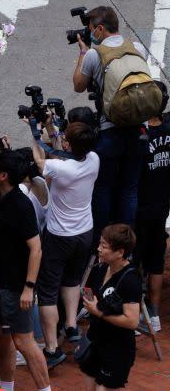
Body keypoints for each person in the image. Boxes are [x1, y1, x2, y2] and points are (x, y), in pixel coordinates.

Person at [0, 151, 53, 391]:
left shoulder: (20, 205)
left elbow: (36, 248)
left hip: (15, 287)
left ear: (3, 175)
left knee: (24, 341)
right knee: (3, 339)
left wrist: (28, 288)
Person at [29, 121, 99, 368]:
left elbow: (40, 161)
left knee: (47, 292)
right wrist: (52, 128)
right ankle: (71, 325)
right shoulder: (94, 160)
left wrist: (34, 133)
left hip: (60, 236)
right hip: (85, 233)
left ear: (69, 144)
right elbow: (62, 154)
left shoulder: (61, 169)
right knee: (71, 281)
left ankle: (51, 349)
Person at [72, 6, 148, 231]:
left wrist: (83, 52)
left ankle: (102, 239)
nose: (90, 33)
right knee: (130, 188)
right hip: (138, 130)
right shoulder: (136, 48)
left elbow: (78, 86)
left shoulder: (95, 54)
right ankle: (125, 241)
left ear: (101, 29)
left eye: (92, 29)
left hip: (110, 130)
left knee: (103, 187)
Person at [80, 224, 142, 390]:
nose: (99, 249)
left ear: (120, 252)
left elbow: (132, 321)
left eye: (104, 246)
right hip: (96, 342)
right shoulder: (102, 268)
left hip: (117, 349)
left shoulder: (130, 280)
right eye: (100, 243)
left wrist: (98, 313)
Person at [134, 80, 170, 332]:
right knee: (156, 259)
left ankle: (136, 313)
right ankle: (154, 314)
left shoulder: (140, 136)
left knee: (134, 260)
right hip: (162, 204)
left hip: (141, 207)